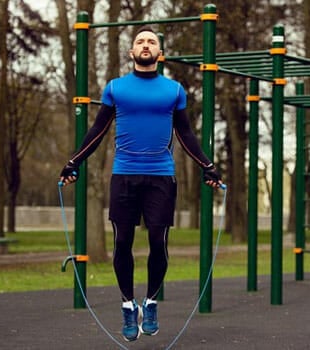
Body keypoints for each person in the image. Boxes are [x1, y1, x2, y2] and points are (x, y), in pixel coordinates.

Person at [60, 25, 222, 342]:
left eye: (151, 41)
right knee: (122, 243)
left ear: (159, 53)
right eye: (140, 41)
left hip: (161, 175)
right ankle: (127, 304)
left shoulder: (174, 90)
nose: (145, 45)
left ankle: (150, 303)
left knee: (158, 243)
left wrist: (208, 166)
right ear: (131, 51)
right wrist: (74, 161)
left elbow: (186, 134)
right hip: (124, 174)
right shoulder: (116, 88)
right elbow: (97, 130)